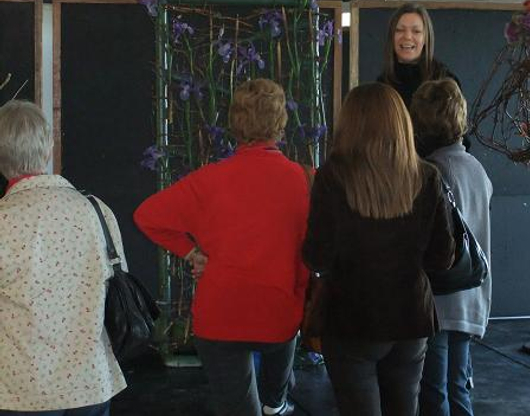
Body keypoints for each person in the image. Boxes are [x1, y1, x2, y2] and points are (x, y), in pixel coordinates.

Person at [134, 78, 309, 416]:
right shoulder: (305, 179)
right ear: (281, 123)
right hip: (281, 315)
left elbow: (147, 216)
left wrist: (192, 253)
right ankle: (276, 402)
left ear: (235, 123)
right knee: (275, 399)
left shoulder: (208, 180)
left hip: (221, 317)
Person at [302, 82, 455, 416]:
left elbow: (316, 256)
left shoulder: (332, 177)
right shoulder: (427, 177)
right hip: (410, 317)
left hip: (350, 320)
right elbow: (442, 258)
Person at [0, 101, 127, 415]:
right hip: (91, 383)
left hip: (22, 390)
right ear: (48, 148)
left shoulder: (3, 220)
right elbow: (118, 282)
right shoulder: (98, 211)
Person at [410, 79, 493, 416]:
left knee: (433, 393)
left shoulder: (432, 172)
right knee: (459, 387)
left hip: (439, 300)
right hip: (472, 297)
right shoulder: (477, 169)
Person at [377, 3, 459, 111]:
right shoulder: (382, 86)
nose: (407, 36)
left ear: (426, 38)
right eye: (400, 30)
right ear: (392, 37)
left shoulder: (444, 82)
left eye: (416, 31)